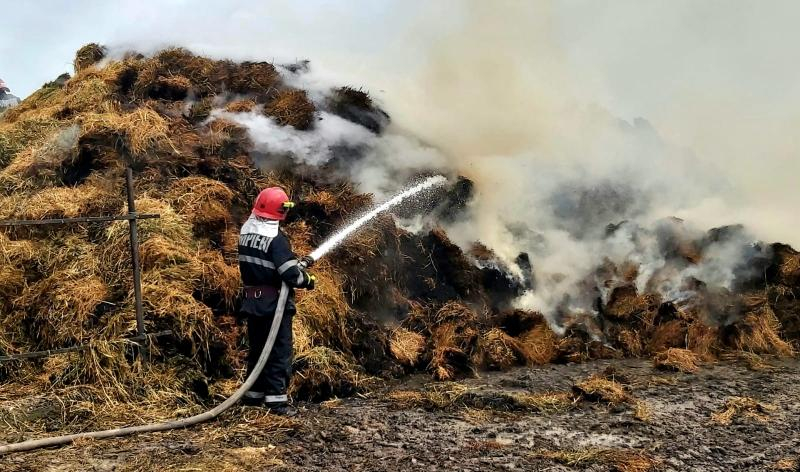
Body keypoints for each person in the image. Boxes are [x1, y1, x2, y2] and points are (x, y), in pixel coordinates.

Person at [238, 187, 315, 416]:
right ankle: (276, 402)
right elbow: (290, 274)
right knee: (279, 351)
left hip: (253, 301)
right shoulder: (277, 239)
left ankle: (253, 396)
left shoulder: (246, 232)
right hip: (274, 305)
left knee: (258, 349)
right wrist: (307, 279)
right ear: (281, 211)